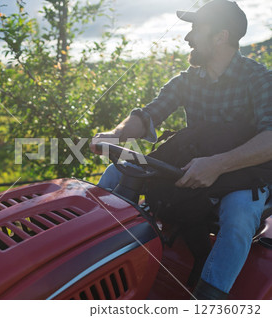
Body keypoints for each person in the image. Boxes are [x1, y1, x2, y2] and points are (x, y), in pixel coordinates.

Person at [90, 0, 272, 299]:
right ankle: (91, 262)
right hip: (194, 164)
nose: (188, 37)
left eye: (196, 28)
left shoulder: (259, 79)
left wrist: (217, 164)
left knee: (239, 217)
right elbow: (148, 115)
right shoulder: (187, 81)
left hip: (242, 173)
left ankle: (208, 299)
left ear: (220, 36)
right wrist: (116, 134)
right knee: (115, 173)